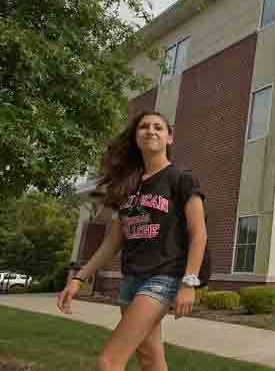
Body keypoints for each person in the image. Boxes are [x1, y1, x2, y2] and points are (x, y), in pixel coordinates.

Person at [57, 111, 209, 371]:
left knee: (108, 362)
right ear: (136, 137)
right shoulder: (127, 186)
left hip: (164, 276)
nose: (151, 131)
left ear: (169, 137)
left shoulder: (181, 179)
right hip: (131, 279)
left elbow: (199, 233)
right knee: (150, 359)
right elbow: (113, 241)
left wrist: (189, 283)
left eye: (158, 127)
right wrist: (79, 278)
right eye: (144, 127)